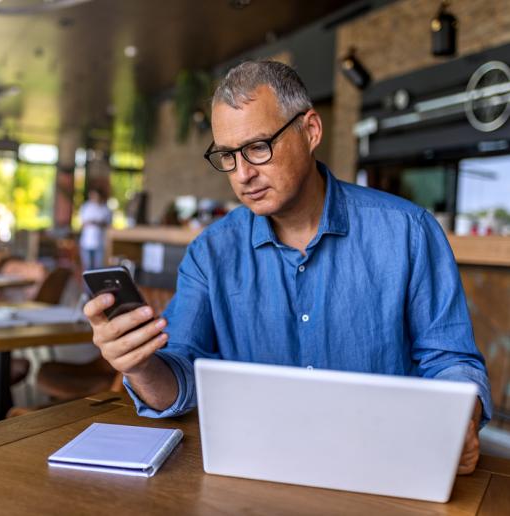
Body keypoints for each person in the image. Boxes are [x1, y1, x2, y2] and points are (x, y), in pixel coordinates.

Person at [83, 61, 491, 474]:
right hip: (256, 472)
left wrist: (459, 423)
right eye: (228, 155)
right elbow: (181, 378)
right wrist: (138, 365)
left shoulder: (409, 232)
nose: (243, 174)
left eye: (259, 147)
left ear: (310, 131)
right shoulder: (211, 252)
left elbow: (451, 362)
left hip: (383, 468)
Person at [79, 188, 112, 270]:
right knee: (87, 267)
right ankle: (86, 283)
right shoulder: (86, 207)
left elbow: (108, 225)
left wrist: (97, 223)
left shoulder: (105, 209)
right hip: (86, 242)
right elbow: (82, 223)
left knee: (98, 267)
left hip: (100, 243)